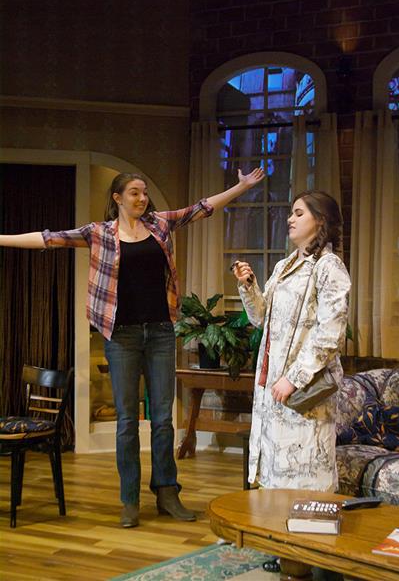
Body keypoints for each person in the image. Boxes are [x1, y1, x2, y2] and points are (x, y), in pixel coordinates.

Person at [0, 166, 265, 528]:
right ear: (118, 198)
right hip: (120, 335)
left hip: (158, 332)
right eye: (134, 193)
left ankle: (167, 492)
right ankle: (129, 500)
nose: (142, 198)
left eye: (144, 192)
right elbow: (49, 239)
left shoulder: (160, 225)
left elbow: (202, 208)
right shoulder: (98, 234)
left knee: (162, 420)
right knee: (127, 422)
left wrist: (241, 186)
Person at [232, 190, 350, 576]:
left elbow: (329, 334)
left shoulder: (329, 268)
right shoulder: (285, 266)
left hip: (303, 397)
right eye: (290, 212)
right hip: (273, 394)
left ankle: (309, 560)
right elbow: (260, 319)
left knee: (306, 478)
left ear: (320, 220)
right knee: (276, 477)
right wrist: (249, 286)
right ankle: (287, 552)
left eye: (298, 213)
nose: (290, 219)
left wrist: (293, 379)